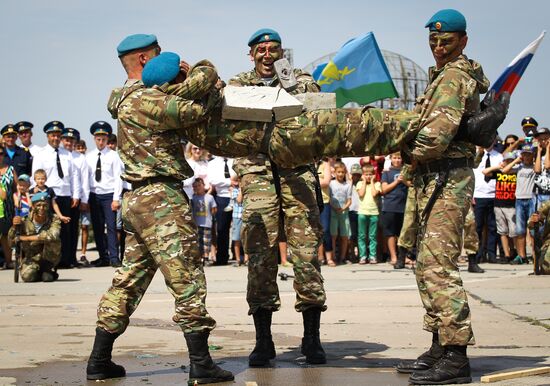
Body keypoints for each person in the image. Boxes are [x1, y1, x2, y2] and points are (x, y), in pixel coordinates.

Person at [86, 36, 233, 385]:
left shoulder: (122, 97)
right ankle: (201, 364)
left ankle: (99, 360)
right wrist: (203, 71)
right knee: (187, 279)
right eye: (156, 57)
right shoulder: (148, 99)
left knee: (129, 281)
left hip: (137, 199)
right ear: (142, 59)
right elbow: (197, 112)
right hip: (161, 200)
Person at [228, 27, 327, 366]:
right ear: (251, 54)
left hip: (297, 172)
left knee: (306, 255)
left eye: (274, 49)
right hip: (257, 175)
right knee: (259, 257)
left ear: (283, 52)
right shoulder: (238, 83)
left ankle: (311, 338)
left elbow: (315, 102)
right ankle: (263, 341)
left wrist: (288, 81)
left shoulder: (300, 78)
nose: (267, 55)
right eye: (261, 50)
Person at [32, 121, 81, 269]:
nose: (55, 138)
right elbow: (35, 175)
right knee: (47, 229)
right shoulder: (41, 154)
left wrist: (76, 195)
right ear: (47, 136)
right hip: (47, 196)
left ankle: (65, 260)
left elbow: (74, 176)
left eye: (58, 135)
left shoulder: (67, 154)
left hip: (65, 195)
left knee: (66, 230)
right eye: (53, 135)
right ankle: (48, 260)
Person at [85, 121, 123, 267]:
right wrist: (86, 198)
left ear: (107, 139)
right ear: (94, 139)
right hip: (94, 195)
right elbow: (86, 179)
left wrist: (116, 199)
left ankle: (114, 257)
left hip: (109, 195)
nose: (101, 142)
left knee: (112, 227)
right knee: (97, 227)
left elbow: (118, 178)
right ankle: (103, 256)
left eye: (104, 139)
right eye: (98, 139)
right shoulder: (89, 156)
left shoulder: (114, 156)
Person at [9, 191, 61, 282]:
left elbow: (53, 235)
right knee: (27, 277)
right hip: (31, 257)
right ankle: (41, 274)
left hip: (49, 258)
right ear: (32, 206)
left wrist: (26, 238)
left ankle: (47, 270)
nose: (42, 208)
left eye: (45, 205)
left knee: (53, 240)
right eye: (38, 205)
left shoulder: (54, 219)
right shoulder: (24, 221)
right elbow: (11, 242)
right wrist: (14, 227)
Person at [61, 128, 91, 267]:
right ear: (62, 140)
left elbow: (84, 180)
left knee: (72, 230)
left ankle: (71, 258)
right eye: (67, 139)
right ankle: (59, 258)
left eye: (72, 140)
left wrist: (83, 200)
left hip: (75, 198)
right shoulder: (60, 155)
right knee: (59, 230)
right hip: (60, 196)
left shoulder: (80, 157)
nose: (69, 142)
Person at [502, 145, 536, 264]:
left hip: (531, 199)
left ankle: (534, 255)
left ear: (532, 155)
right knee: (520, 230)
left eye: (528, 154)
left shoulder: (535, 167)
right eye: (524, 154)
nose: (526, 157)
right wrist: (516, 160)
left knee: (533, 230)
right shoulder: (519, 167)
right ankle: (522, 256)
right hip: (520, 200)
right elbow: (505, 170)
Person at [482, 151, 518, 264]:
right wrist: (498, 166)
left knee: (513, 232)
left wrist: (513, 163)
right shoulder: (499, 173)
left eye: (511, 161)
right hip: (498, 205)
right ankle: (507, 255)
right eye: (507, 161)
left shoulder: (516, 172)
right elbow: (485, 172)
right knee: (502, 231)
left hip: (512, 205)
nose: (509, 163)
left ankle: (514, 252)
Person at [472, 140, 503, 264]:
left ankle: (491, 254)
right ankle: (478, 254)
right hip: (478, 195)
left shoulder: (498, 156)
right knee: (477, 227)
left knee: (492, 227)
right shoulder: (476, 155)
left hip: (493, 194)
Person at [380, 152, 408, 266]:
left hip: (404, 206)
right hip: (390, 206)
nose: (397, 160)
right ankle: (393, 257)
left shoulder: (405, 171)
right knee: (390, 233)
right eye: (395, 158)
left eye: (399, 158)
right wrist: (397, 181)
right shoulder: (387, 173)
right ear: (391, 159)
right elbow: (384, 189)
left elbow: (411, 184)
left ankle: (403, 257)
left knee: (403, 233)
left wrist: (405, 180)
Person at [356, 163, 381, 264]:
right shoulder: (359, 184)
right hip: (362, 212)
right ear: (363, 175)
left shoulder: (377, 184)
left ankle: (372, 256)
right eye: (366, 174)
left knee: (372, 236)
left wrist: (371, 182)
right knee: (362, 236)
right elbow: (361, 194)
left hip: (374, 213)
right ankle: (362, 256)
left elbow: (374, 194)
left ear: (373, 175)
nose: (368, 176)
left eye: (370, 174)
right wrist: (363, 182)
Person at [329, 161, 352, 265]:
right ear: (335, 173)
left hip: (344, 212)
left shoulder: (347, 185)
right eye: (338, 172)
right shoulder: (331, 184)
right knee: (333, 235)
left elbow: (349, 200)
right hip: (334, 211)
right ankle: (333, 256)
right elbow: (329, 198)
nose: (340, 174)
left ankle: (342, 257)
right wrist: (334, 207)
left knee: (344, 236)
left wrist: (343, 208)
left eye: (342, 172)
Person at [191, 177, 217, 265]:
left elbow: (214, 209)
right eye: (195, 186)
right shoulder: (193, 198)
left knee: (206, 241)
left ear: (203, 186)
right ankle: (200, 257)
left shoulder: (209, 197)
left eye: (199, 185)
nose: (197, 188)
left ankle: (206, 257)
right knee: (198, 241)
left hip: (207, 223)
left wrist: (212, 213)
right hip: (196, 223)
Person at [0, 145, 18, 269]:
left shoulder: (10, 169)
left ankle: (8, 261)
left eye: (1, 153)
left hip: (8, 209)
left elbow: (16, 189)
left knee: (6, 236)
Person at [75, 140, 92, 264]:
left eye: (82, 147)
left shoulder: (89, 160)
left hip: (86, 197)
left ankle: (83, 253)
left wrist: (86, 199)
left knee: (85, 226)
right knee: (73, 228)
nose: (80, 150)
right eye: (78, 147)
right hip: (74, 197)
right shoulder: (74, 159)